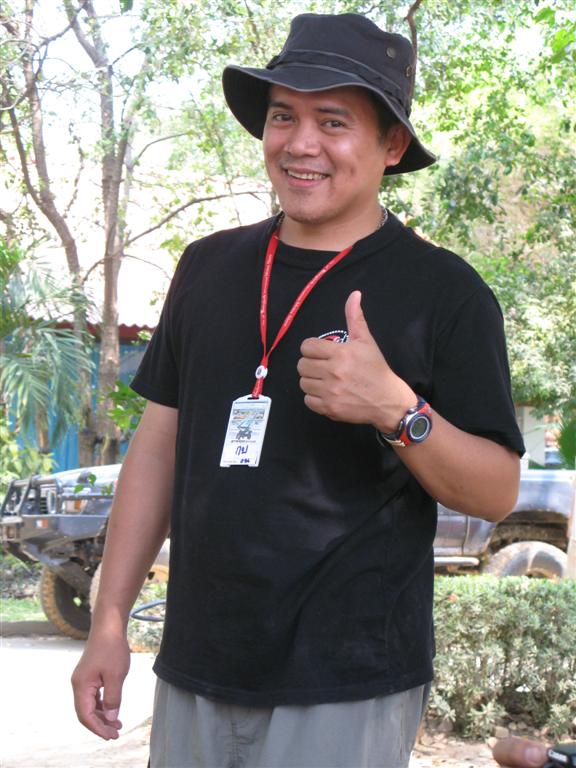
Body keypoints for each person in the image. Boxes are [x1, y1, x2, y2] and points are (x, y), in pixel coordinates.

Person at [72, 13, 525, 768]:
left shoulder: (445, 293)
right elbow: (158, 449)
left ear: (391, 145)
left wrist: (397, 410)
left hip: (346, 680)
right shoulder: (207, 266)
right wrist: (110, 620)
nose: (300, 143)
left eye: (333, 121)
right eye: (284, 116)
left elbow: (497, 491)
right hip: (196, 665)